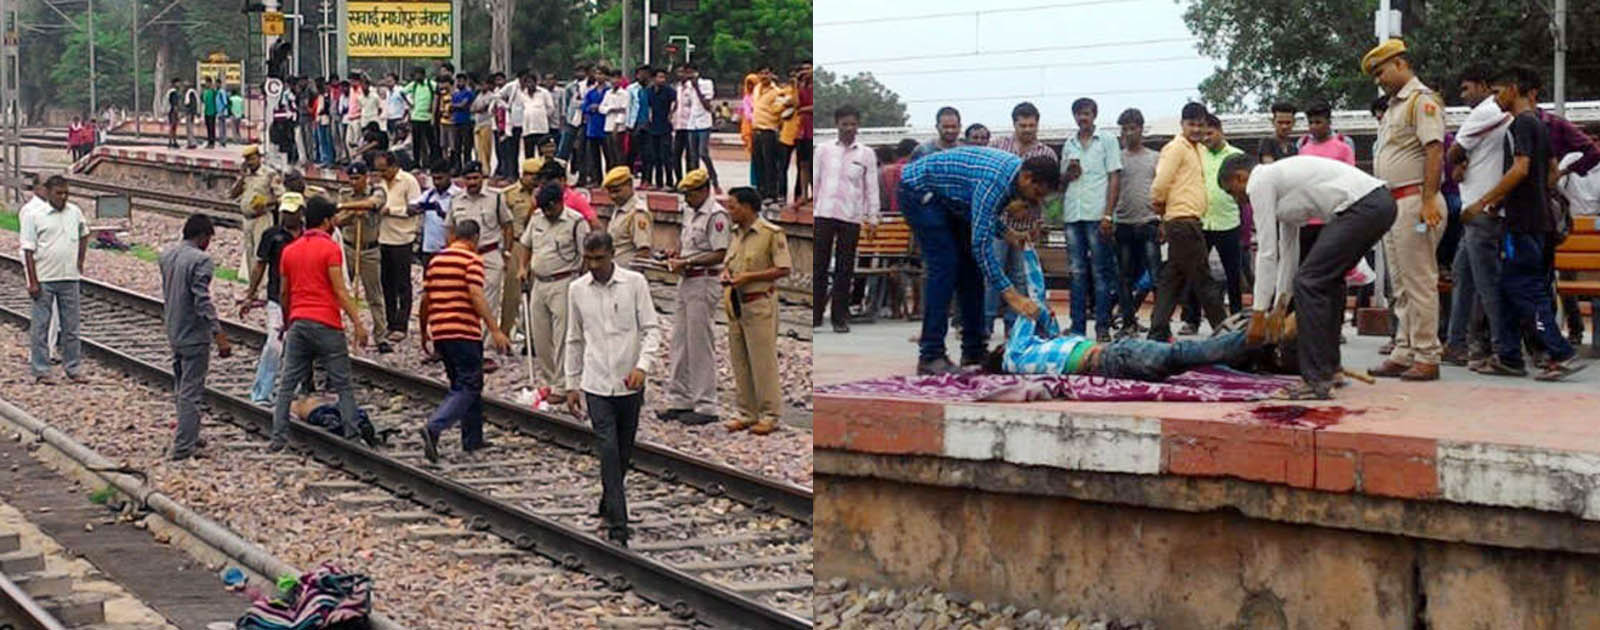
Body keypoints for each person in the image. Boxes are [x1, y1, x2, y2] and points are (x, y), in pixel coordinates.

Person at [1220, 155, 1397, 398]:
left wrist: (1259, 313)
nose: (1238, 200)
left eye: (1232, 191)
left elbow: (1267, 252)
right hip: (1379, 204)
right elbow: (1288, 252)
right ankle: (1330, 369)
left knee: (1309, 283)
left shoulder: (1259, 180)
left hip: (1363, 206)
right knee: (1327, 281)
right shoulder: (1281, 187)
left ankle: (1316, 380)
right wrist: (1280, 307)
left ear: (1240, 177)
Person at [1461, 65, 1587, 381]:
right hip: (1537, 221)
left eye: (1497, 91)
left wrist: (1482, 201)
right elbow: (1552, 171)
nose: (1495, 99)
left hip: (1524, 225)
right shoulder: (1542, 125)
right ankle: (1509, 356)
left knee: (1525, 290)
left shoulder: (1522, 125)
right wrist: (1514, 200)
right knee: (1508, 288)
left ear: (1513, 89)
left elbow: (1519, 169)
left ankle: (1560, 353)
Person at [986, 248, 1261, 382]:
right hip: (1112, 356)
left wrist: (1029, 252)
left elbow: (1041, 314)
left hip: (1111, 359)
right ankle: (1254, 337)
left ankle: (1252, 346)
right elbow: (1033, 304)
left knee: (1189, 358)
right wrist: (1027, 254)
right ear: (1001, 351)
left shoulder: (1034, 357)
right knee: (1186, 352)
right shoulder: (1015, 354)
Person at [899, 147, 1062, 374]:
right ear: (1026, 177)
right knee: (945, 266)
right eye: (1037, 193)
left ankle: (974, 350)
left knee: (972, 273)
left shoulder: (1014, 177)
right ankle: (930, 355)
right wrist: (1011, 294)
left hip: (949, 201)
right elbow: (981, 245)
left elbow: (978, 215)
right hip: (919, 193)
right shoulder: (994, 181)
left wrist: (1007, 233)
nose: (1036, 202)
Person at [563, 231, 661, 547]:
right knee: (607, 449)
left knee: (624, 452)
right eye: (588, 259)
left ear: (612, 254)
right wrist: (571, 384)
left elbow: (651, 330)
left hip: (629, 384)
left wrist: (643, 366)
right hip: (596, 384)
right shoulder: (577, 290)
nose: (594, 265)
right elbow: (574, 338)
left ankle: (609, 501)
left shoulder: (635, 284)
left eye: (599, 258)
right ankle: (619, 524)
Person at [1363, 39, 1446, 381]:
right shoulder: (1394, 107)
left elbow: (1435, 151)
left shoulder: (1421, 101)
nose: (1379, 80)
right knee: (1401, 283)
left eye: (1381, 72)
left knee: (1419, 281)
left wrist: (1428, 199)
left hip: (1415, 202)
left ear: (1399, 64)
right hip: (1395, 203)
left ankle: (1427, 354)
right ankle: (1404, 349)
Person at [271, 197, 371, 451]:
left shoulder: (290, 250)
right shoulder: (330, 249)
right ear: (326, 222)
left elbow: (284, 292)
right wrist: (358, 322)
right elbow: (339, 290)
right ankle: (352, 434)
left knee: (287, 382)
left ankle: (278, 436)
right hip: (327, 323)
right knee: (342, 382)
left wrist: (287, 320)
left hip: (299, 322)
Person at [419, 218, 513, 463]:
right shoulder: (472, 260)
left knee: (461, 385)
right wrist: (495, 329)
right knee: (469, 384)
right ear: (475, 239)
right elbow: (476, 295)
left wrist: (423, 331)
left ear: (453, 237)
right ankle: (435, 426)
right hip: (464, 331)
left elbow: (426, 299)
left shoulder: (436, 260)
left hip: (440, 331)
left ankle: (472, 438)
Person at [1441, 65, 1511, 369]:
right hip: (1476, 210)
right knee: (1464, 278)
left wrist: (1460, 159)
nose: (1464, 95)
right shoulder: (1501, 116)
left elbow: (1453, 153)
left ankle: (1503, 351)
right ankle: (1456, 344)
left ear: (1483, 86)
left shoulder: (1486, 112)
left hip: (1481, 211)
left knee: (1487, 284)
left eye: (1467, 88)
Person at [1148, 103, 1227, 341]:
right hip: (1182, 220)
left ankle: (1158, 329)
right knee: (1204, 280)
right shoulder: (1175, 148)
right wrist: (1159, 204)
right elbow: (1161, 182)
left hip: (1190, 220)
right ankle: (1224, 332)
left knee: (1173, 278)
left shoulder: (1198, 149)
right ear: (1182, 124)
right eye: (1191, 124)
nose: (1195, 129)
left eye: (1200, 125)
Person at [158, 214, 233, 460]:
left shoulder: (167, 255)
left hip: (174, 330)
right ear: (202, 237)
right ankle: (182, 447)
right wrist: (218, 333)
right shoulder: (201, 260)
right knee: (191, 390)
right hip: (194, 334)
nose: (209, 243)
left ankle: (189, 433)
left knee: (181, 386)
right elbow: (202, 301)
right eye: (209, 238)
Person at [659, 168, 729, 424]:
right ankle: (680, 398)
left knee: (700, 343)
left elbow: (720, 252)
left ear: (703, 190)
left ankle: (706, 404)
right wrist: (675, 254)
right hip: (686, 279)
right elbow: (685, 242)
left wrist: (688, 261)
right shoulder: (690, 212)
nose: (686, 199)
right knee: (680, 340)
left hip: (704, 280)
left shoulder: (716, 215)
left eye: (689, 194)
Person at [721, 187, 792, 434]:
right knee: (740, 360)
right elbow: (730, 262)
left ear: (748, 207)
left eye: (733, 206)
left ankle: (770, 414)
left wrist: (750, 277)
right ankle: (747, 412)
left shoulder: (771, 233)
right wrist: (728, 275)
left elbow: (783, 269)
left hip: (759, 302)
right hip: (736, 303)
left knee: (763, 362)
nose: (730, 212)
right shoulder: (735, 234)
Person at [514, 183, 591, 401]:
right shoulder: (537, 218)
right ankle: (549, 379)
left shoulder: (576, 222)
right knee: (540, 336)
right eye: (544, 208)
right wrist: (522, 267)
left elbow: (585, 255)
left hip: (564, 281)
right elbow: (525, 244)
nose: (547, 213)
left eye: (550, 208)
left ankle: (562, 384)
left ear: (560, 203)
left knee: (563, 335)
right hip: (538, 282)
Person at [811, 105, 879, 332]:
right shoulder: (823, 150)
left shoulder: (866, 154)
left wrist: (873, 217)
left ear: (858, 125)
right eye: (844, 124)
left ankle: (840, 318)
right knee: (819, 266)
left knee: (844, 268)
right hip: (824, 213)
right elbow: (816, 180)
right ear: (836, 124)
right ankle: (816, 315)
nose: (849, 128)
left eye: (853, 124)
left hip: (851, 216)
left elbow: (871, 188)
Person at [1060, 97, 1122, 340]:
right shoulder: (1069, 143)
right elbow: (1063, 181)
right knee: (1076, 272)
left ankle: (1102, 328)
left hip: (1097, 214)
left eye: (1086, 113)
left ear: (1094, 115)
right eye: (1078, 114)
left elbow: (1115, 177)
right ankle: (1077, 328)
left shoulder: (1106, 140)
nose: (1082, 118)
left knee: (1100, 272)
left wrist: (1109, 214)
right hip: (1073, 214)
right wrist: (1068, 174)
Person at [20, 176, 87, 383]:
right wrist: (32, 280)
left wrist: (80, 262)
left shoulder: (74, 212)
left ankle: (73, 367)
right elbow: (28, 249)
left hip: (69, 277)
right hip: (45, 277)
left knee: (71, 327)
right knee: (41, 326)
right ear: (48, 193)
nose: (63, 197)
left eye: (66, 193)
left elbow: (84, 234)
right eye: (59, 193)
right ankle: (41, 369)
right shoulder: (34, 215)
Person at [449, 161, 516, 369]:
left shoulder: (496, 198)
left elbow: (507, 225)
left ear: (482, 178)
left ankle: (485, 349)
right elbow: (450, 229)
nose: (472, 182)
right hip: (464, 256)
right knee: (464, 300)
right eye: (468, 179)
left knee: (488, 300)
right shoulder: (456, 200)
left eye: (476, 178)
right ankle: (467, 344)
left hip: (489, 254)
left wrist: (506, 251)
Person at [244, 203, 304, 403]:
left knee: (296, 345)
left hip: (301, 298)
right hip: (276, 298)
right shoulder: (272, 235)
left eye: (291, 212)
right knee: (274, 344)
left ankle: (292, 390)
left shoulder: (308, 236)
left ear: (300, 213)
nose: (286, 215)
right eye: (284, 211)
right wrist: (251, 294)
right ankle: (261, 390)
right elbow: (260, 266)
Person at [1112, 107, 1161, 337]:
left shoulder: (1155, 157)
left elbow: (1162, 189)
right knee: (1124, 277)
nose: (1129, 133)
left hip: (1149, 222)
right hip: (1123, 223)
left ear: (1141, 129)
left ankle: (1160, 324)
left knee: (1155, 276)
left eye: (1133, 128)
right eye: (1125, 129)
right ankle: (1128, 322)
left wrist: (1163, 221)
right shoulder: (1116, 159)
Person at [333, 161, 391, 352]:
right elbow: (338, 220)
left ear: (366, 177)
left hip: (370, 250)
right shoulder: (344, 193)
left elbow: (372, 204)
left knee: (374, 295)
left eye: (357, 178)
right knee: (341, 290)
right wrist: (351, 213)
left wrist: (350, 207)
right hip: (348, 247)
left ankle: (381, 336)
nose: (353, 182)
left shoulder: (378, 191)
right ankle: (337, 329)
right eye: (351, 178)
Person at [1195, 114, 1246, 316]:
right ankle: (1192, 318)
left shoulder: (1237, 155)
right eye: (1203, 135)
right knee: (1197, 273)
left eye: (1210, 133)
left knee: (1233, 274)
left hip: (1228, 222)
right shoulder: (1197, 154)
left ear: (1220, 131)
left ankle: (1236, 315)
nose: (1206, 138)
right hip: (1202, 222)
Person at [373, 151, 423, 343]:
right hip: (383, 238)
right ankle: (390, 322)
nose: (381, 174)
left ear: (394, 166)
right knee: (386, 284)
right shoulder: (380, 184)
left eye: (384, 170)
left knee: (403, 284)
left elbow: (415, 209)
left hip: (402, 238)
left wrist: (391, 211)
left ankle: (401, 325)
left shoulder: (408, 181)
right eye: (378, 171)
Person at [228, 145, 284, 287]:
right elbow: (232, 194)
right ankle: (253, 287)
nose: (250, 163)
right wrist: (241, 178)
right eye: (247, 160)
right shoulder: (246, 176)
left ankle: (263, 287)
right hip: (247, 219)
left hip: (262, 218)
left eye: (252, 159)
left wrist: (266, 202)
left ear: (259, 158)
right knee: (249, 252)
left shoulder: (269, 174)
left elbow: (281, 196)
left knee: (261, 254)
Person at [678, 63, 720, 192]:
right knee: (693, 155)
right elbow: (686, 104)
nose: (688, 76)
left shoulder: (706, 84)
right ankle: (695, 183)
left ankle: (714, 179)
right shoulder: (686, 87)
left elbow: (707, 105)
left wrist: (697, 88)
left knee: (703, 153)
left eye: (690, 73)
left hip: (703, 122)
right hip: (692, 123)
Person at [602, 166, 653, 267]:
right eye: (610, 192)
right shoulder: (619, 208)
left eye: (617, 191)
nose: (613, 196)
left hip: (628, 273)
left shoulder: (638, 213)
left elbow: (643, 251)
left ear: (630, 184)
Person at [418, 160, 460, 270]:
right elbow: (411, 208)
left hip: (451, 249)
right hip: (429, 249)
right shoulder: (429, 194)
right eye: (434, 179)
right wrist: (422, 207)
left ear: (449, 175)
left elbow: (463, 221)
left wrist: (442, 213)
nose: (436, 182)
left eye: (440, 178)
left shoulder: (458, 195)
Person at [578, 67, 612, 187]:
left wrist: (599, 107)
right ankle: (597, 179)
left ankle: (610, 179)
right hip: (592, 128)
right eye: (597, 74)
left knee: (609, 156)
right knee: (594, 156)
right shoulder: (591, 92)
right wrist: (590, 108)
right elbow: (584, 107)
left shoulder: (609, 92)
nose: (599, 76)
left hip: (606, 127)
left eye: (601, 74)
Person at [644, 69, 677, 189]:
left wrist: (671, 115)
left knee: (666, 156)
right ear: (653, 79)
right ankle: (658, 183)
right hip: (653, 127)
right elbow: (648, 107)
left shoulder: (669, 91)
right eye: (659, 77)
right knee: (655, 156)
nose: (661, 80)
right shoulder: (649, 92)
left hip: (665, 127)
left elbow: (674, 104)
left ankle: (669, 182)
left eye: (663, 77)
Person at [405, 68, 438, 167]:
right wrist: (410, 104)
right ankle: (416, 163)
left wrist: (433, 113)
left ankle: (432, 162)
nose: (417, 77)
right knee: (416, 143)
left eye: (418, 75)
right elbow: (402, 92)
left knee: (431, 142)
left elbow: (437, 95)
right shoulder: (413, 85)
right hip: (416, 117)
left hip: (427, 118)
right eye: (415, 75)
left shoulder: (430, 84)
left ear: (423, 75)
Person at [471, 74, 498, 178]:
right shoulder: (479, 96)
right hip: (478, 125)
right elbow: (472, 108)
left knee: (486, 149)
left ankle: (486, 170)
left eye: (484, 85)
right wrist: (477, 109)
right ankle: (481, 169)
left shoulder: (491, 96)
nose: (482, 87)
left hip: (487, 124)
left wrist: (477, 109)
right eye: (481, 85)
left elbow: (484, 108)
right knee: (478, 149)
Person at [450, 74, 476, 170]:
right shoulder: (455, 94)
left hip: (466, 122)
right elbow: (451, 107)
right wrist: (455, 106)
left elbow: (463, 105)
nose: (459, 83)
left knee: (467, 146)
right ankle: (458, 167)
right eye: (458, 81)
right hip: (456, 122)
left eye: (462, 81)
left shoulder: (469, 93)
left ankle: (467, 166)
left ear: (465, 82)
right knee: (457, 147)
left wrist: (455, 106)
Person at [165, 78, 184, 149]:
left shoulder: (169, 92)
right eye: (178, 83)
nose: (179, 84)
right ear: (175, 83)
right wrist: (177, 113)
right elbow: (175, 104)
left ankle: (172, 141)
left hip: (170, 111)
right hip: (173, 111)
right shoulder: (174, 93)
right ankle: (172, 142)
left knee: (172, 126)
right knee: (173, 126)